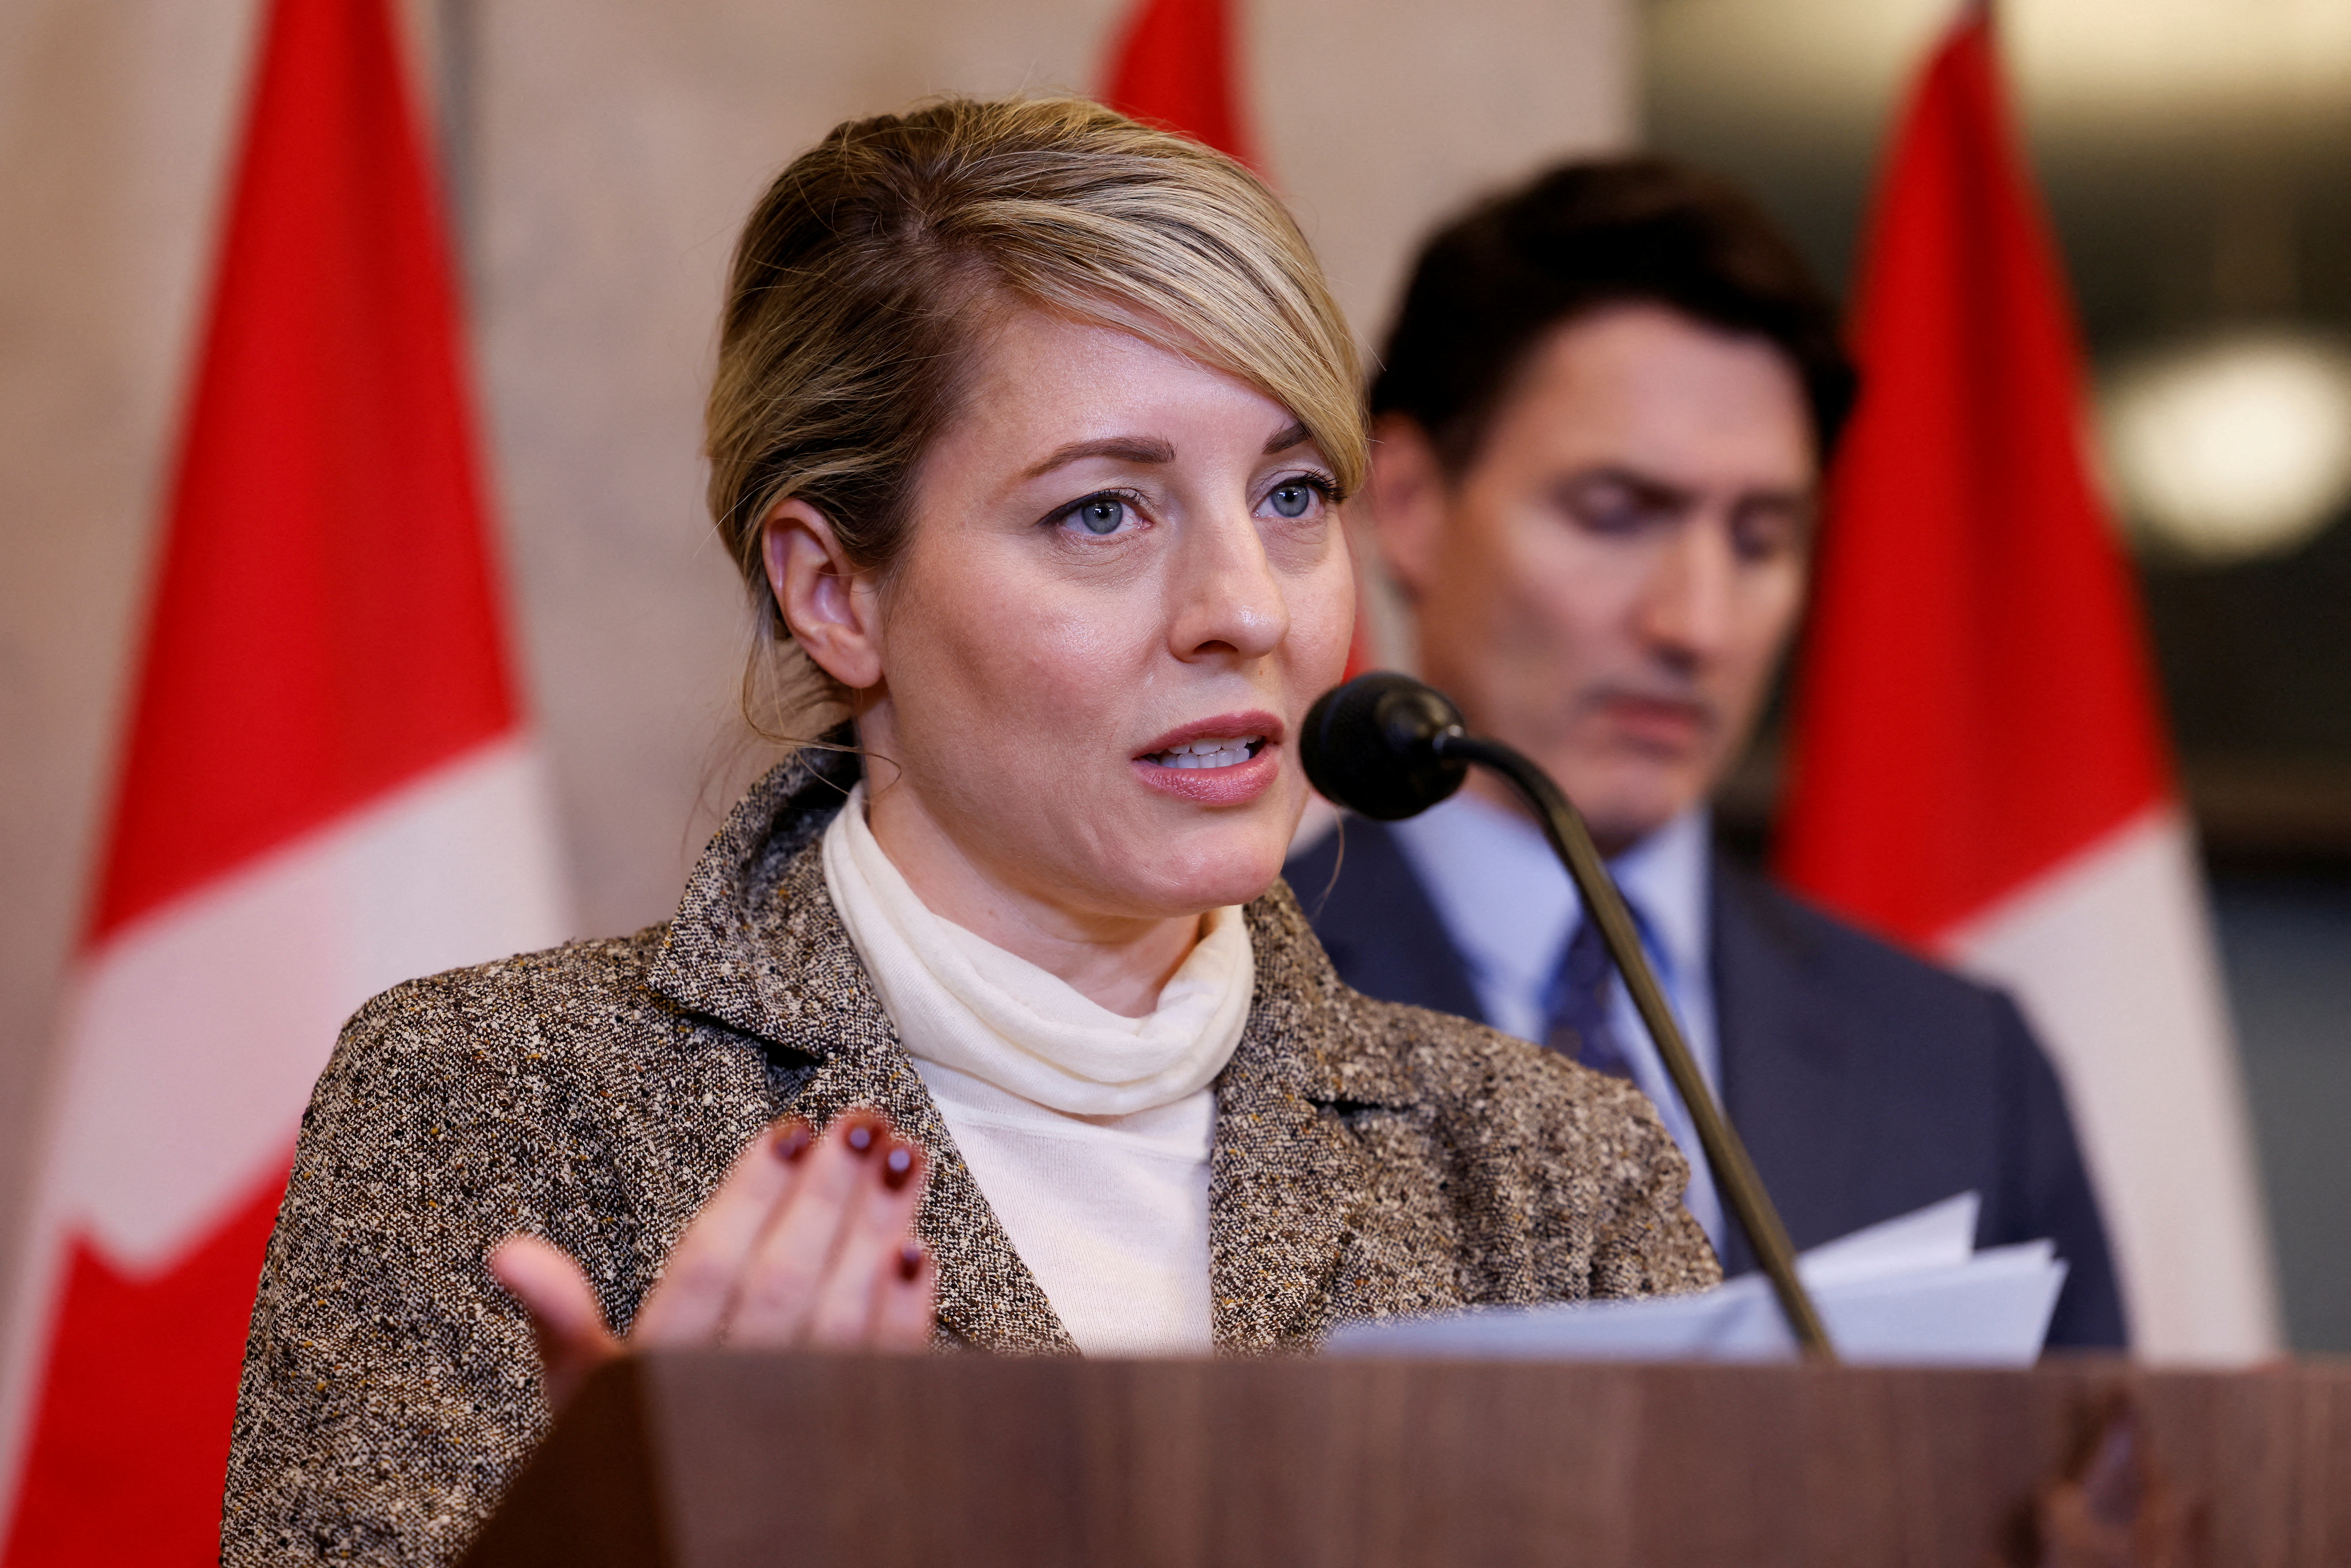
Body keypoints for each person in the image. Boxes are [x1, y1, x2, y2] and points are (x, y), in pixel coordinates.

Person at [219, 102, 1718, 1564]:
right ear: (835, 594)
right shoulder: (502, 1107)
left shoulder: (1550, 1170)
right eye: (1104, 515)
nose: (1250, 607)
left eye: (1292, 493)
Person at [1286, 157, 2126, 1347]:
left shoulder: (1961, 1063)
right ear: (1412, 502)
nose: (1695, 623)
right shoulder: (1207, 998)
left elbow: (2099, 1518)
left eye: (1761, 536)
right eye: (1617, 514)